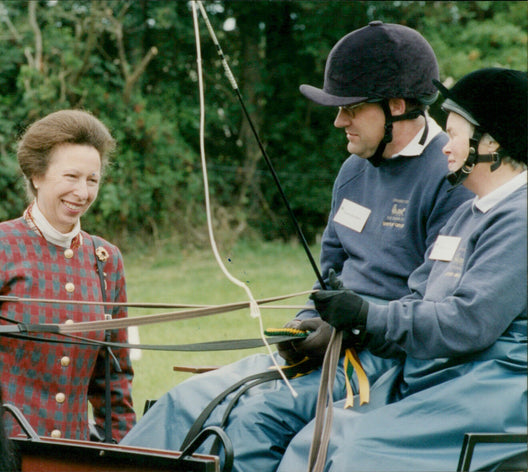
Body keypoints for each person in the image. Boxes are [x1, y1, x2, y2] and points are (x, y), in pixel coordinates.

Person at [120, 21, 472, 471]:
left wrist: (357, 327)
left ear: (397, 106)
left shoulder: (451, 178)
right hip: (330, 347)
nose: (338, 121)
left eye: (350, 108)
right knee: (184, 401)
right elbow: (330, 272)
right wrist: (307, 322)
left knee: (255, 419)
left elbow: (432, 304)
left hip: (385, 360)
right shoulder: (353, 170)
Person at [280, 67, 528, 471]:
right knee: (316, 439)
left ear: (491, 143)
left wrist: (368, 315)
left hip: (492, 390)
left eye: (454, 134)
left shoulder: (519, 219)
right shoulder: (468, 214)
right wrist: (351, 326)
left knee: (357, 456)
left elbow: (468, 322)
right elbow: (418, 300)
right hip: (437, 379)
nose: (445, 147)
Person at [0, 109, 136, 442]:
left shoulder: (106, 260)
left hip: (74, 452)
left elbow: (114, 380)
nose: (82, 192)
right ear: (37, 175)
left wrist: (122, 452)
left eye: (92, 180)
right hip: (0, 449)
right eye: (71, 177)